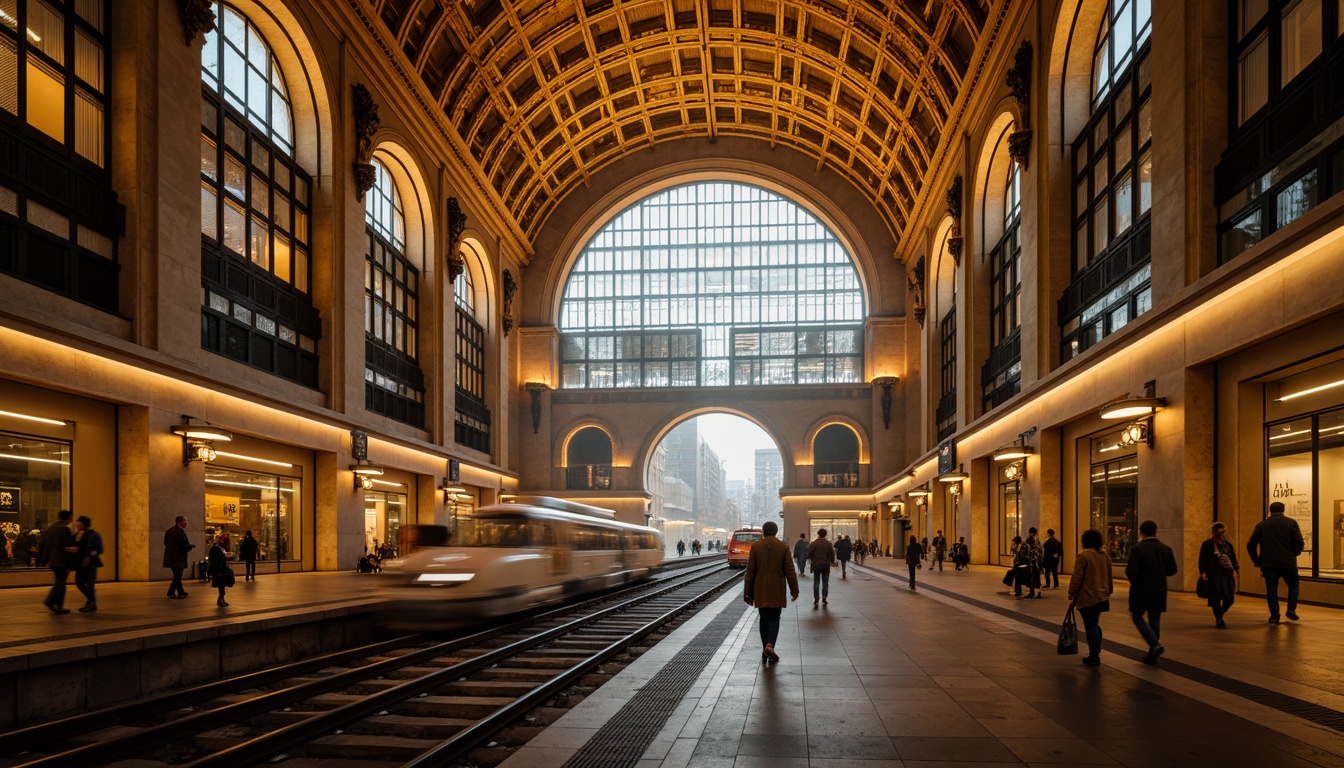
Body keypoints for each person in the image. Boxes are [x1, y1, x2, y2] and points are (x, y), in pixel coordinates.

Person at [743, 521, 799, 663]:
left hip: (760, 589)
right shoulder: (783, 547)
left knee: (763, 618)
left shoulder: (756, 547)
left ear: (763, 531)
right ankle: (770, 645)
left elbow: (749, 572)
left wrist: (747, 593)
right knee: (775, 618)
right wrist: (794, 590)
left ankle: (765, 649)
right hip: (776, 589)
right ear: (775, 531)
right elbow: (790, 571)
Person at [1125, 520, 1178, 664]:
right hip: (1159, 589)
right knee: (1155, 618)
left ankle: (1155, 644)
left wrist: (1136, 581)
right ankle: (1152, 652)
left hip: (1141, 588)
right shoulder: (1166, 549)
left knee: (1137, 616)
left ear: (1141, 532)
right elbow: (1173, 569)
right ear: (1156, 531)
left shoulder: (1137, 549)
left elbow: (1131, 571)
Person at [1247, 501, 1305, 624]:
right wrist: (1294, 553)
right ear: (1283, 509)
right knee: (1294, 584)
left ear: (1270, 510)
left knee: (1271, 588)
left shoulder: (1262, 525)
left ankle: (1274, 615)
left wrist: (1257, 561)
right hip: (1288, 562)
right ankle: (1291, 609)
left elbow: (1251, 544)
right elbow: (1299, 543)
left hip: (1269, 563)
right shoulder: (1291, 523)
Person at [1067, 529, 1114, 667]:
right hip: (1101, 596)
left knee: (1090, 625)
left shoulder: (1083, 556)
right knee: (1094, 622)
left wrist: (1071, 594)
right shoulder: (1105, 556)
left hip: (1088, 596)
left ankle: (1094, 654)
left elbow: (1077, 577)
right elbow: (1109, 576)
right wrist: (1109, 591)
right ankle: (1095, 650)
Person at [1198, 522, 1239, 628]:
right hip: (1214, 574)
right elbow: (1202, 559)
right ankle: (1219, 619)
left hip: (1227, 573)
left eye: (1222, 531)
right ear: (1213, 532)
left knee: (1230, 598)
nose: (1221, 533)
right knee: (1215, 597)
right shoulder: (1207, 544)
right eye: (1218, 531)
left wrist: (1235, 570)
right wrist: (1203, 571)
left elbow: (1233, 558)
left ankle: (1220, 613)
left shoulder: (1228, 545)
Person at [38, 509, 77, 614]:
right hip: (62, 560)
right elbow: (69, 544)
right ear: (69, 518)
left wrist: (42, 559)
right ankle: (51, 602)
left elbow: (43, 544)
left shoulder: (51, 528)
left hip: (52, 560)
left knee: (60, 583)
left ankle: (58, 605)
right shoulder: (64, 529)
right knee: (60, 583)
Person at [72, 515, 104, 612]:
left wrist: (91, 555)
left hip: (91, 563)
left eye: (80, 524)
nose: (78, 526)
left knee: (90, 583)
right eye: (77, 524)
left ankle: (90, 603)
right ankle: (91, 600)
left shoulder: (94, 535)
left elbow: (100, 549)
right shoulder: (76, 535)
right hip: (80, 564)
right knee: (79, 582)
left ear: (85, 524)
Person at [163, 515, 194, 599]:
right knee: (178, 575)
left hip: (171, 557)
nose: (186, 523)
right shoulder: (179, 532)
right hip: (178, 557)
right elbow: (182, 545)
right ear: (179, 522)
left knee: (177, 575)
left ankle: (172, 592)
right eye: (184, 522)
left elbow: (166, 543)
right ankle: (180, 592)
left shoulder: (169, 531)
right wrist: (189, 547)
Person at [806, 528, 836, 607]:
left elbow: (809, 553)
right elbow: (832, 554)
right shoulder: (828, 543)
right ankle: (824, 597)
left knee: (816, 581)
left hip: (816, 564)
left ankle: (816, 598)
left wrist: (812, 559)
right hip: (825, 565)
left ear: (818, 534)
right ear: (825, 535)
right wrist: (832, 561)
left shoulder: (814, 543)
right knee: (825, 582)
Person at [208, 533, 236, 607]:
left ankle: (221, 598)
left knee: (222, 584)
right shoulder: (216, 548)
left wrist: (229, 556)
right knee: (221, 585)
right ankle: (221, 599)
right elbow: (215, 561)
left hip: (221, 569)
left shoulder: (220, 548)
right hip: (220, 570)